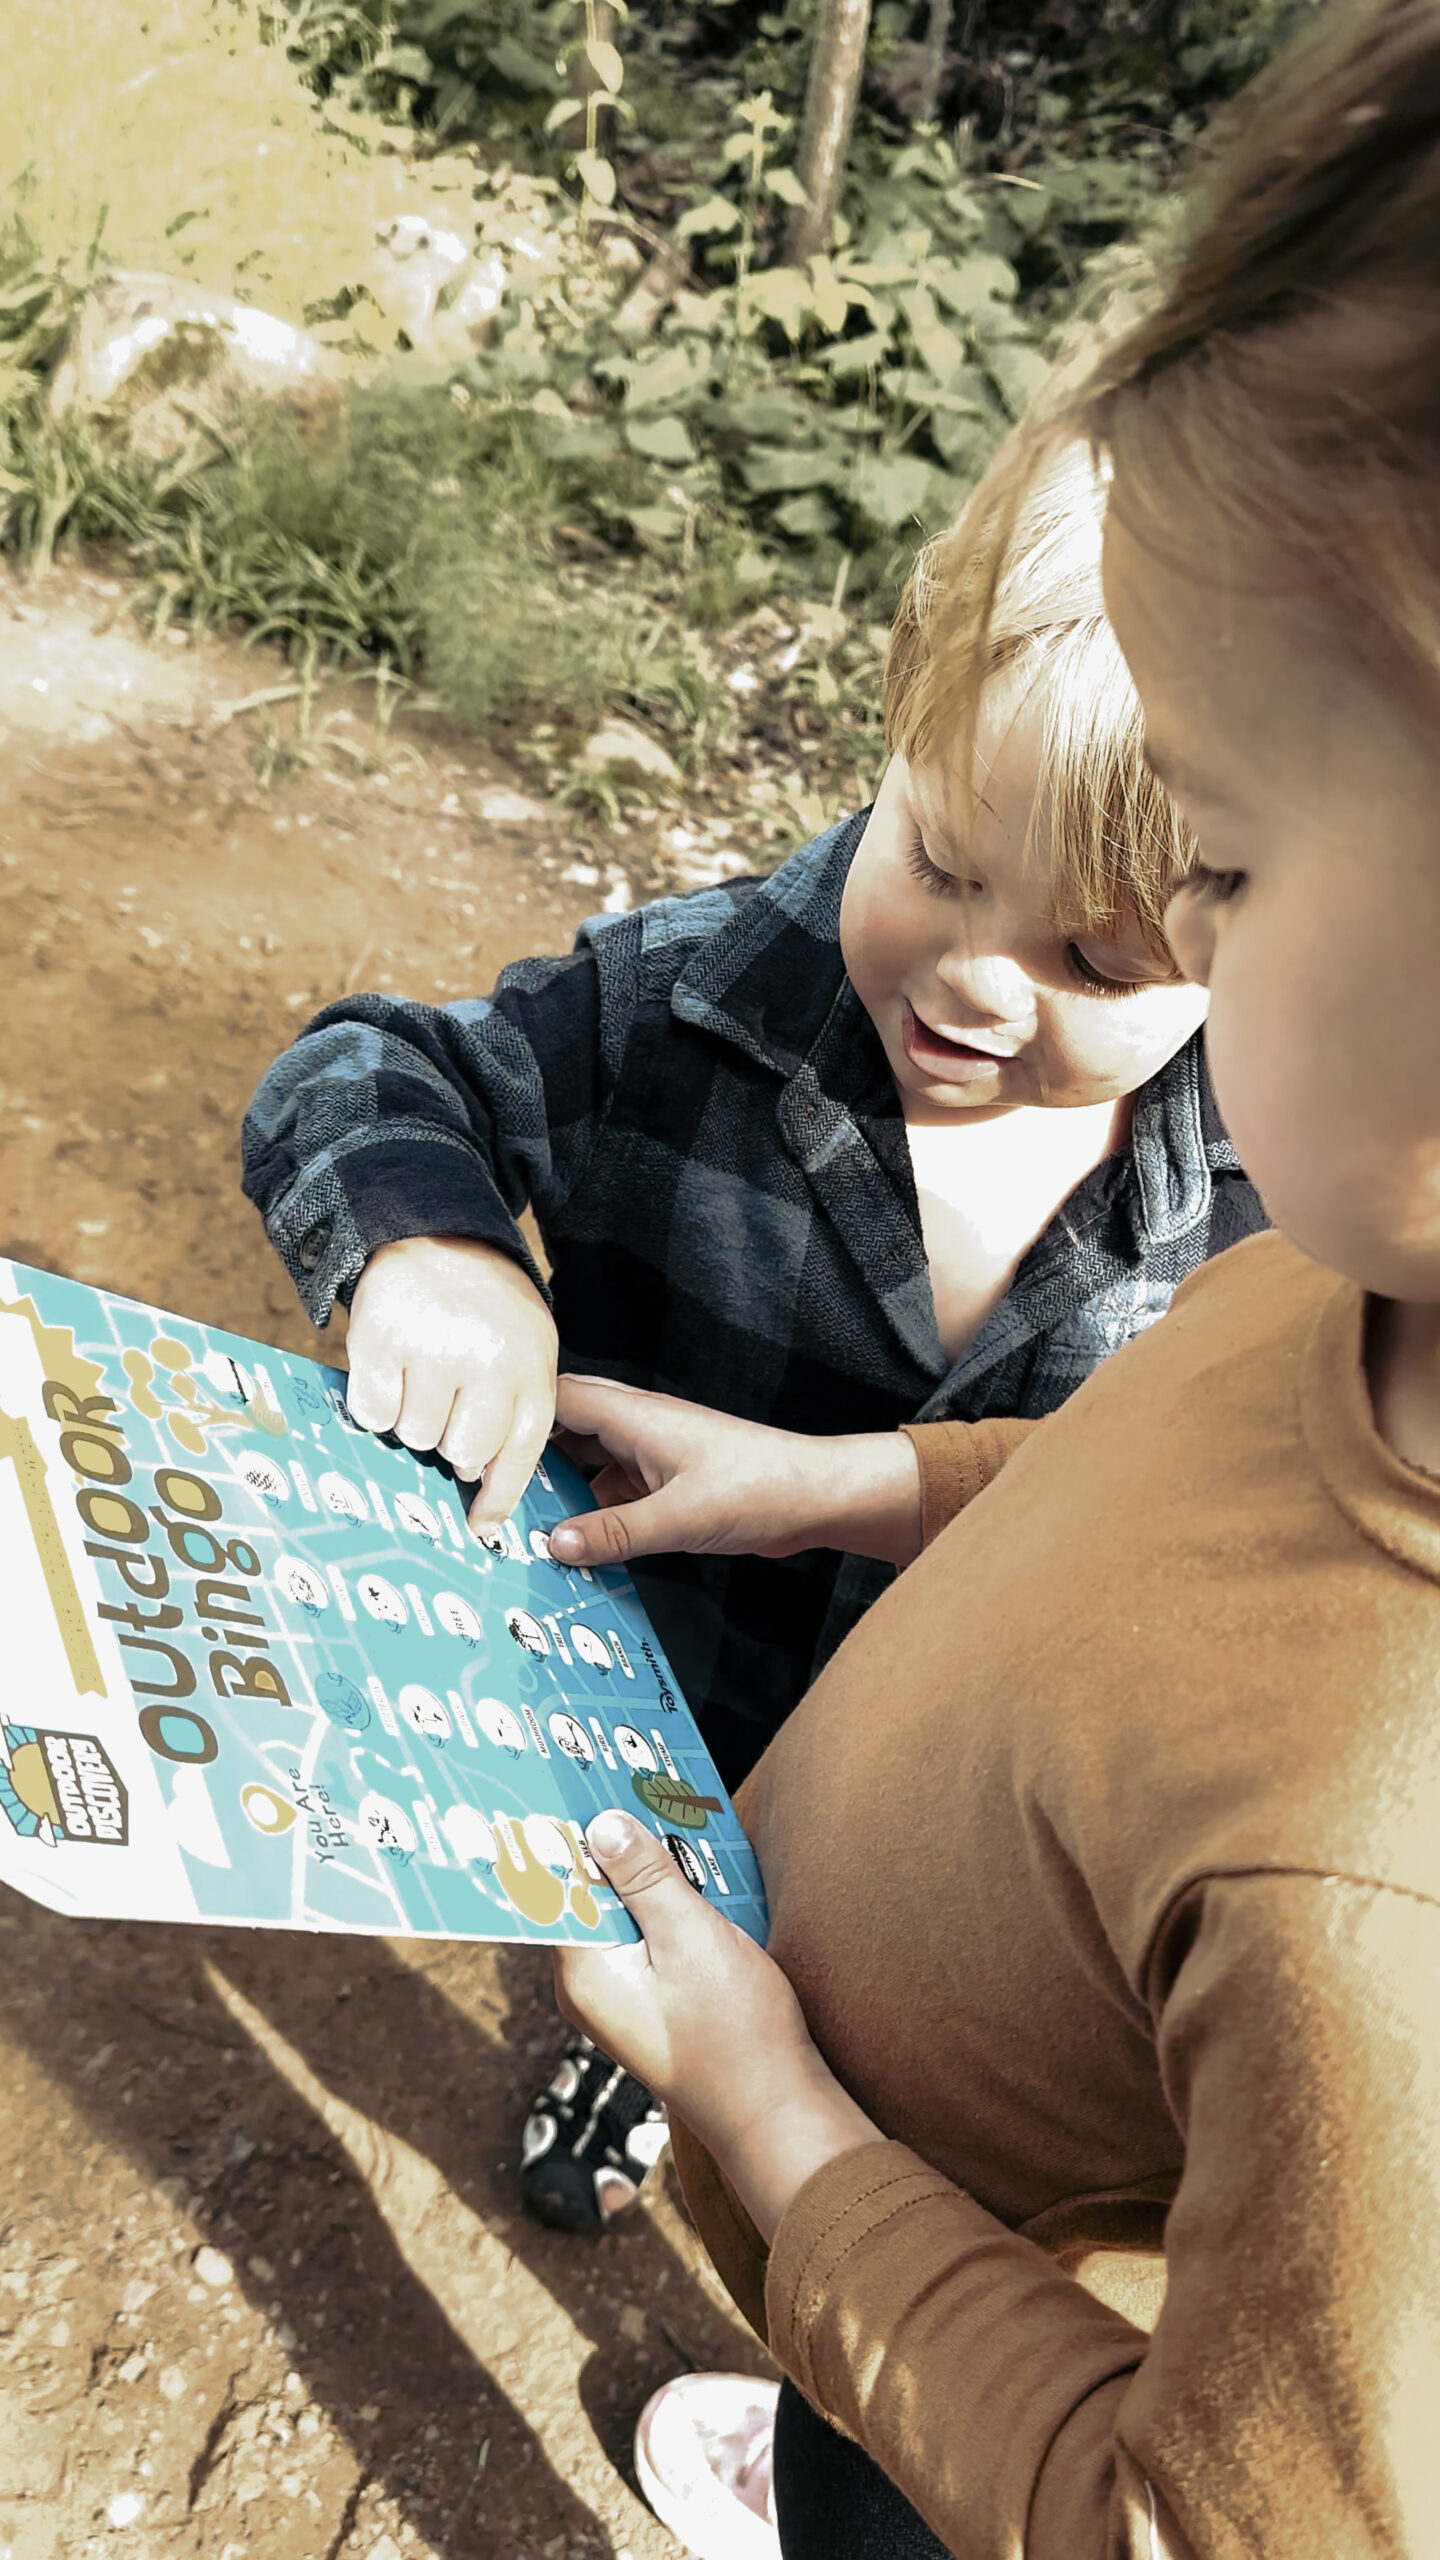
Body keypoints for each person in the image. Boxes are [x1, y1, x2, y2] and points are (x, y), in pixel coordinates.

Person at [550, 2, 1440, 2551]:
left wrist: (771, 2129)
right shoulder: (1380, 1260)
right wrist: (873, 1477)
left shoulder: (1386, 1909)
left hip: (981, 2331)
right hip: (868, 2166)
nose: (1158, 928)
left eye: (1228, 870)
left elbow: (1174, 2511)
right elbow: (1200, 1512)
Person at [241, 450, 1263, 2232]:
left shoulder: (1264, 1177)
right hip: (672, 1697)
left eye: (1095, 965)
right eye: (939, 858)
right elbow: (361, 1068)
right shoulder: (692, 999)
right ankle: (632, 2074)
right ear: (895, 718)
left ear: (1245, 934)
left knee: (869, 2028)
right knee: (664, 1937)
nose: (973, 979)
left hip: (962, 1813)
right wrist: (439, 1243)